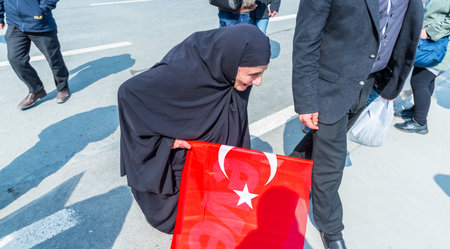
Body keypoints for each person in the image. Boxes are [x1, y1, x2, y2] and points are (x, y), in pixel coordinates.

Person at [291, 0, 423, 248]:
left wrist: (393, 83)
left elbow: (407, 34)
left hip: (370, 83)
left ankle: (285, 174)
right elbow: (306, 38)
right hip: (330, 84)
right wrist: (306, 100)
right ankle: (331, 228)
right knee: (333, 161)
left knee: (324, 139)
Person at [117, 24, 270, 234]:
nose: (258, 82)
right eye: (254, 74)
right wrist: (167, 143)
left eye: (261, 73)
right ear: (232, 63)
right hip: (180, 162)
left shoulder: (229, 72)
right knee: (181, 220)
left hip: (210, 162)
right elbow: (129, 93)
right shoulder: (182, 72)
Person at [0, 0, 70, 110]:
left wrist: (41, 10)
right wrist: (0, 15)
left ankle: (62, 87)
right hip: (15, 24)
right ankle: (36, 90)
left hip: (39, 24)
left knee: (53, 58)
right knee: (15, 59)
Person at [394, 0, 450, 135]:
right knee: (427, 80)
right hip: (431, 46)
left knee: (419, 81)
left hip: (439, 47)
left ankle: (420, 122)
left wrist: (430, 31)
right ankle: (417, 111)